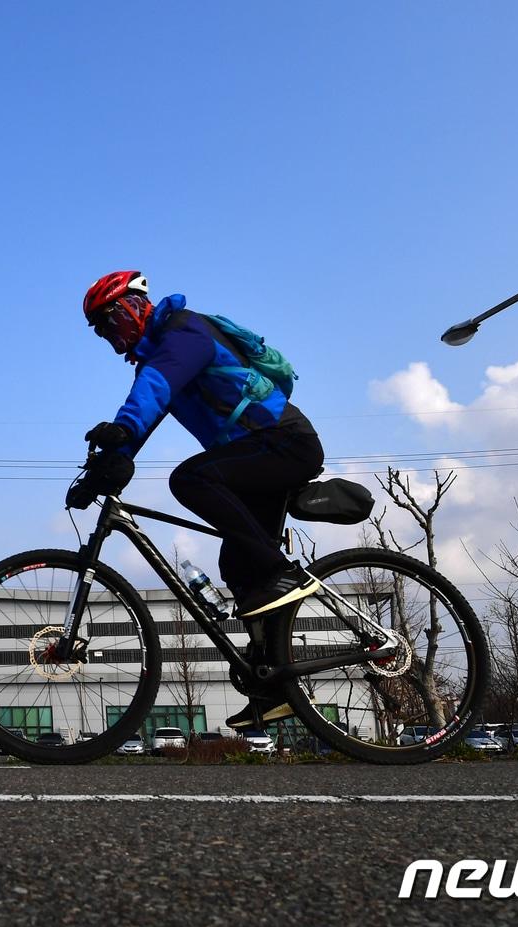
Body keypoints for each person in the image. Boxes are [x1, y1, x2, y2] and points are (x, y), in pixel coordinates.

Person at [68, 270, 325, 729]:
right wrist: (109, 464)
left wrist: (122, 430)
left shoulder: (184, 331)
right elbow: (152, 404)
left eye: (110, 321)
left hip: (284, 443)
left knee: (190, 479)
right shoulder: (163, 352)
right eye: (101, 331)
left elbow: (155, 389)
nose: (110, 335)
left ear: (133, 305)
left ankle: (285, 574)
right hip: (256, 457)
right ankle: (275, 689)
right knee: (241, 569)